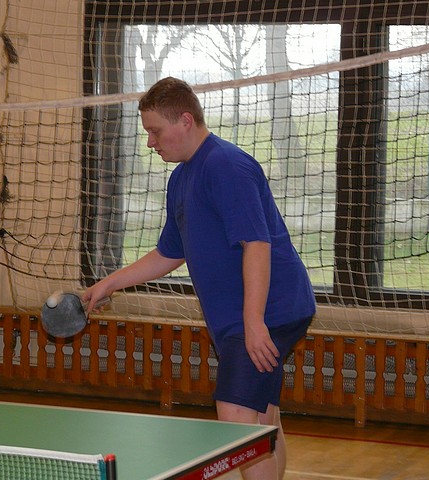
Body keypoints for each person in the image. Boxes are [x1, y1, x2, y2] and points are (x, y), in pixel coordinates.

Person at [82, 77, 316, 480]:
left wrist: (254, 321)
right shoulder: (181, 179)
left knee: (237, 419)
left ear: (186, 121)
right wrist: (109, 283)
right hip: (244, 317)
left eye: (156, 131)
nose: (151, 142)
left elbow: (257, 244)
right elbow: (169, 253)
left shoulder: (226, 165)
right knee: (261, 419)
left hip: (268, 311)